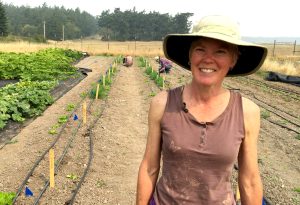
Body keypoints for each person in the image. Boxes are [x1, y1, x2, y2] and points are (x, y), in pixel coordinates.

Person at [136, 15, 267, 205]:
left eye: (220, 52)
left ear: (233, 60)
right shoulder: (162, 103)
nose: (208, 59)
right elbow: (149, 167)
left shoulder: (247, 112)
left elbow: (250, 181)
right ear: (190, 56)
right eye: (200, 49)